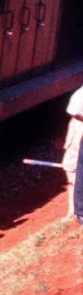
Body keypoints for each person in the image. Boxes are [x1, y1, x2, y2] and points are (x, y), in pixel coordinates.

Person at [64, 85, 83, 222]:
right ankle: (72, 210)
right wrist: (68, 141)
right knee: (71, 175)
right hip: (77, 140)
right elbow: (74, 119)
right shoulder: (78, 95)